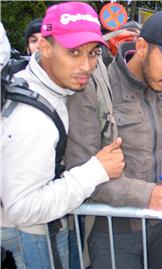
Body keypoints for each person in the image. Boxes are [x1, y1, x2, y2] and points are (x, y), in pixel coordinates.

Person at [1, 2, 125, 269]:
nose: (86, 65)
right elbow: (22, 207)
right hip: (33, 231)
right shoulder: (32, 117)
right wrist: (96, 170)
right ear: (45, 47)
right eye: (74, 52)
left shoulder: (46, 85)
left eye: (92, 53)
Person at [86, 10, 162, 269]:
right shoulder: (100, 87)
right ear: (142, 47)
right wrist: (145, 194)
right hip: (115, 228)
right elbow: (82, 170)